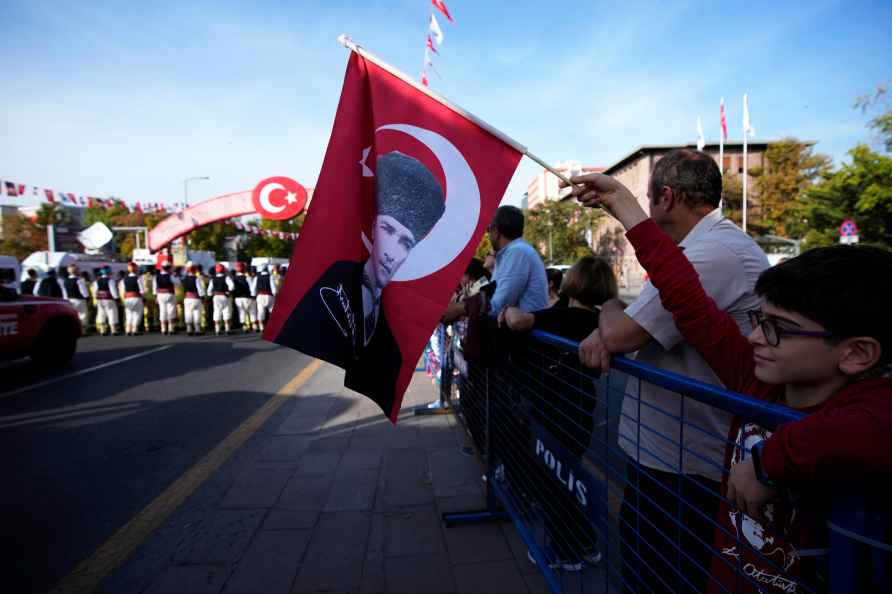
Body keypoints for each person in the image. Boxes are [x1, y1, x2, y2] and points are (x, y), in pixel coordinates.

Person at [570, 169, 892, 594]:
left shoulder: (869, 408)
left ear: (856, 353)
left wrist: (769, 461)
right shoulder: (752, 375)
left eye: (779, 328)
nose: (755, 336)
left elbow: (870, 426)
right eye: (760, 320)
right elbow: (685, 296)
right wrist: (626, 207)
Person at [573, 149, 769, 593]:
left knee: (660, 575)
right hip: (675, 456)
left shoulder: (711, 254)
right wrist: (615, 315)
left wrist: (606, 307)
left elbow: (622, 334)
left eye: (646, 196)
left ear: (664, 197)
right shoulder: (706, 247)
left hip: (686, 465)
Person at [274, 150, 446, 416]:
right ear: (372, 227)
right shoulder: (334, 281)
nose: (391, 251)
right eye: (387, 230)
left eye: (405, 242)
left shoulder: (392, 334)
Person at [501, 255, 618, 572]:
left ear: (574, 283)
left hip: (549, 412)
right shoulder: (600, 325)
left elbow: (519, 325)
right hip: (580, 412)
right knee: (570, 474)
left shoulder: (557, 319)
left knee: (554, 480)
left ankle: (565, 551)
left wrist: (508, 313)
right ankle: (585, 543)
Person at [442, 205, 549, 323]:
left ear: (496, 232)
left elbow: (499, 305)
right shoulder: (512, 252)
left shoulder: (517, 252)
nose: (488, 235)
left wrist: (460, 309)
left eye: (488, 230)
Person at [61, 264, 90, 332]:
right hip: (79, 299)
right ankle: (82, 330)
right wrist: (87, 297)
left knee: (72, 315)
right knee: (82, 315)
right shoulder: (79, 280)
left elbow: (64, 292)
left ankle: (72, 330)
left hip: (70, 300)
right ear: (76, 271)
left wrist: (66, 300)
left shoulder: (65, 281)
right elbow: (83, 291)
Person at [93, 267, 120, 335]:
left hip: (100, 299)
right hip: (109, 299)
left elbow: (95, 291)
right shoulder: (110, 280)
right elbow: (113, 291)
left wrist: (96, 298)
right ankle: (113, 330)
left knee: (101, 313)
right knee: (112, 313)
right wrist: (116, 298)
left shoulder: (97, 280)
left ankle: (102, 330)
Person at [155, 261, 180, 335]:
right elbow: (178, 283)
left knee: (162, 311)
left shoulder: (157, 276)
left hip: (160, 295)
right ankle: (171, 329)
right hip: (169, 294)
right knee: (171, 311)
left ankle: (163, 329)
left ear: (162, 268)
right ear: (169, 268)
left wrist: (156, 296)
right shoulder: (171, 276)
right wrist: (175, 275)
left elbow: (155, 288)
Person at [210, 263, 235, 335]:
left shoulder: (213, 279)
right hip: (224, 296)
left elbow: (209, 290)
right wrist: (229, 292)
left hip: (216, 297)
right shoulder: (226, 277)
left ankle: (217, 330)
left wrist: (212, 294)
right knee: (226, 311)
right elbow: (232, 286)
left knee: (217, 312)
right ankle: (227, 329)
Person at [181, 264, 206, 335]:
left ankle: (189, 329)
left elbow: (183, 288)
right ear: (194, 270)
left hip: (187, 298)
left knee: (188, 313)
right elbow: (200, 289)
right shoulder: (197, 278)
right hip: (196, 298)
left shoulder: (184, 279)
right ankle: (197, 330)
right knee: (197, 313)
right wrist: (203, 297)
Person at [122, 262, 145, 335]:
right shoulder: (138, 278)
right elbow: (142, 290)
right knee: (137, 313)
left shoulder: (124, 279)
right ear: (136, 269)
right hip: (136, 297)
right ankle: (135, 329)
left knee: (129, 313)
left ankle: (128, 330)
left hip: (127, 298)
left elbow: (124, 290)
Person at [232, 262, 255, 333]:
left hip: (238, 298)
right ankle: (254, 326)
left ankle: (244, 326)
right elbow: (252, 287)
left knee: (241, 312)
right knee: (252, 312)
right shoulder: (248, 277)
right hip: (247, 297)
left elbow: (232, 288)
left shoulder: (234, 278)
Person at [254, 265, 277, 332]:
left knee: (261, 312)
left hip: (260, 296)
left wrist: (254, 295)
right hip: (269, 296)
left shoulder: (257, 277)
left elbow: (253, 288)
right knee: (272, 311)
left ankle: (262, 327)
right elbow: (273, 288)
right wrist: (274, 294)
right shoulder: (270, 276)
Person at [141, 266, 156, 333]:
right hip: (153, 297)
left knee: (146, 312)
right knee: (153, 312)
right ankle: (152, 325)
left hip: (145, 297)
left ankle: (146, 326)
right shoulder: (154, 277)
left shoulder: (141, 277)